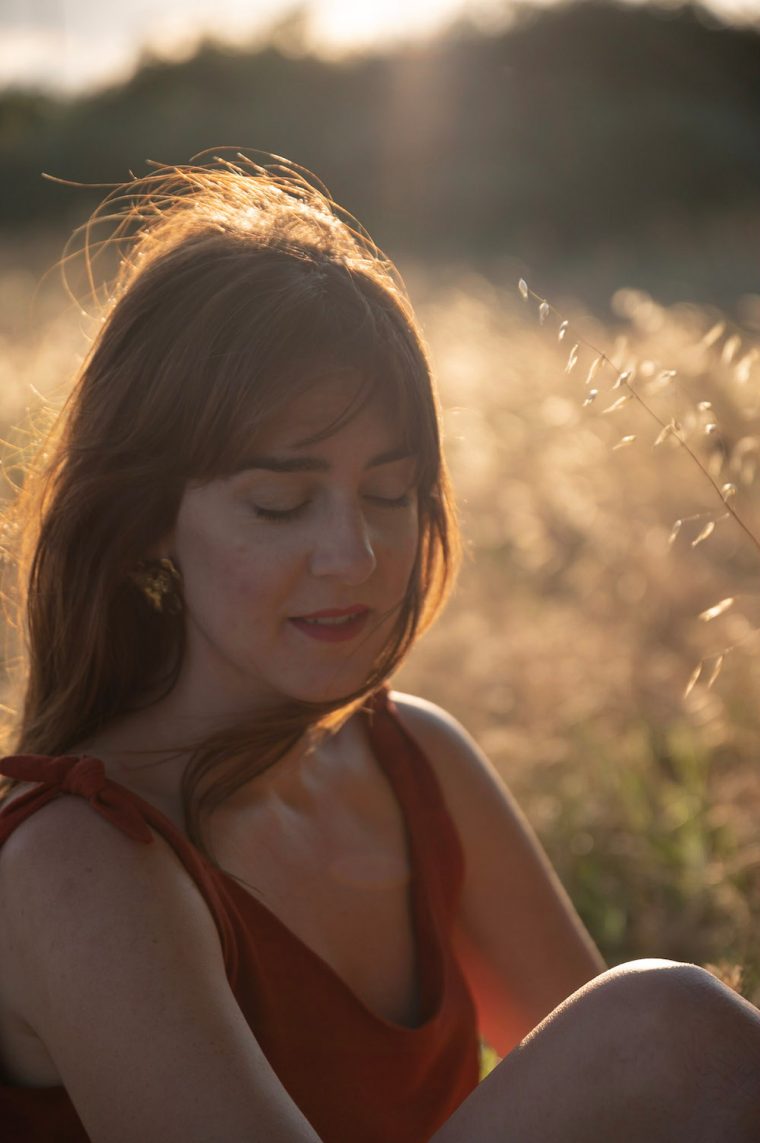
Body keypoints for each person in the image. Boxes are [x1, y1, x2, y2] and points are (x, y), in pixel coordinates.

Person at [0, 153, 758, 1143]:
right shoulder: (76, 858)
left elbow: (654, 1118)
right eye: (279, 503)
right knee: (664, 1022)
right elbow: (648, 1066)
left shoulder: (418, 762)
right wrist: (662, 1035)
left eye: (390, 494)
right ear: (147, 519)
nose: (353, 555)